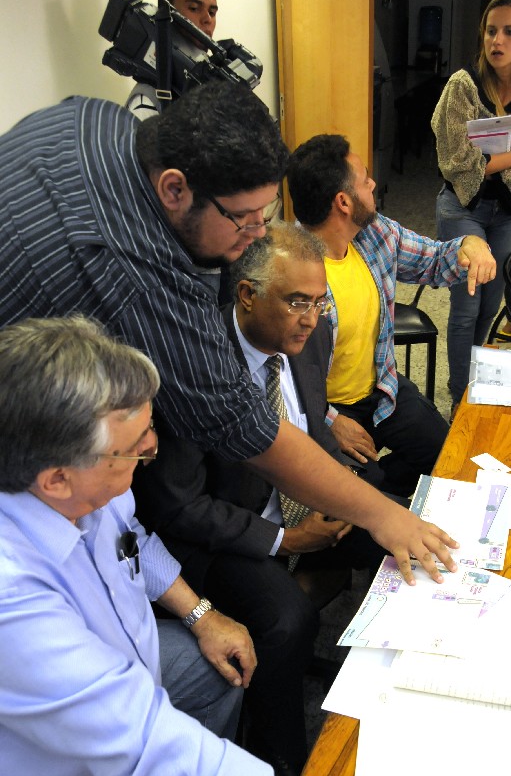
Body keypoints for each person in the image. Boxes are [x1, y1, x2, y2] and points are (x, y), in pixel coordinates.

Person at [0, 316, 454, 776]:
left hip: (118, 681)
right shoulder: (11, 596)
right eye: (132, 450)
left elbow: (132, 541)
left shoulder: (77, 486)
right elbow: (139, 738)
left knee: (220, 668)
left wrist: (202, 613)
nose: (152, 451)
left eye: (148, 431)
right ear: (55, 478)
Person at [0, 81, 460, 588]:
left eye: (264, 214)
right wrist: (386, 517)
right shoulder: (136, 279)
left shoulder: (99, 119)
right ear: (174, 189)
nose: (258, 234)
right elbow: (250, 430)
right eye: (242, 218)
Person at [134, 223, 388, 776]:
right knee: (286, 618)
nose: (312, 318)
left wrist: (338, 487)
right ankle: (279, 768)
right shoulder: (197, 366)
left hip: (299, 506)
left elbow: (310, 427)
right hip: (226, 533)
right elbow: (178, 507)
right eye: (298, 301)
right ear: (247, 294)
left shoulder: (310, 336)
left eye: (319, 302)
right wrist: (288, 539)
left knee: (394, 517)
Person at [286, 134, 496, 496]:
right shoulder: (290, 273)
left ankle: (381, 484)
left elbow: (433, 259)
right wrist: (328, 421)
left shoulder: (372, 233)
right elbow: (277, 380)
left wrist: (469, 244)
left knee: (449, 458)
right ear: (343, 202)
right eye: (365, 179)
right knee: (362, 512)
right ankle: (376, 490)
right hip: (323, 410)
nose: (373, 184)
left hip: (381, 389)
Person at [431, 0, 511, 414]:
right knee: (466, 305)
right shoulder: (462, 86)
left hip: (510, 210)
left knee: (491, 303)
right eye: (490, 31)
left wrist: (499, 159)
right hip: (463, 207)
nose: (496, 41)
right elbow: (457, 164)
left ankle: (474, 382)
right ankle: (461, 399)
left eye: (508, 32)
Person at [125, 0, 219, 120]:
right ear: (165, 15)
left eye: (212, 12)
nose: (207, 19)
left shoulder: (207, 82)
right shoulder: (146, 103)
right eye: (194, 8)